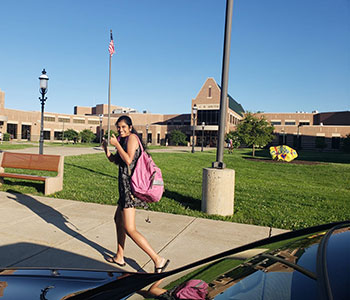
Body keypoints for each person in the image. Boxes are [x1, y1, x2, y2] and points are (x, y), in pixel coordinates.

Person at [102, 115, 169, 273]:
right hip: (124, 187)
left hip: (130, 189)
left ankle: (158, 259)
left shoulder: (131, 139)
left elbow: (128, 159)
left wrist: (117, 144)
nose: (121, 130)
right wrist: (106, 148)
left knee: (130, 228)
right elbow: (116, 160)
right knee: (118, 219)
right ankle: (120, 256)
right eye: (118, 127)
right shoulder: (123, 140)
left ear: (130, 128)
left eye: (124, 127)